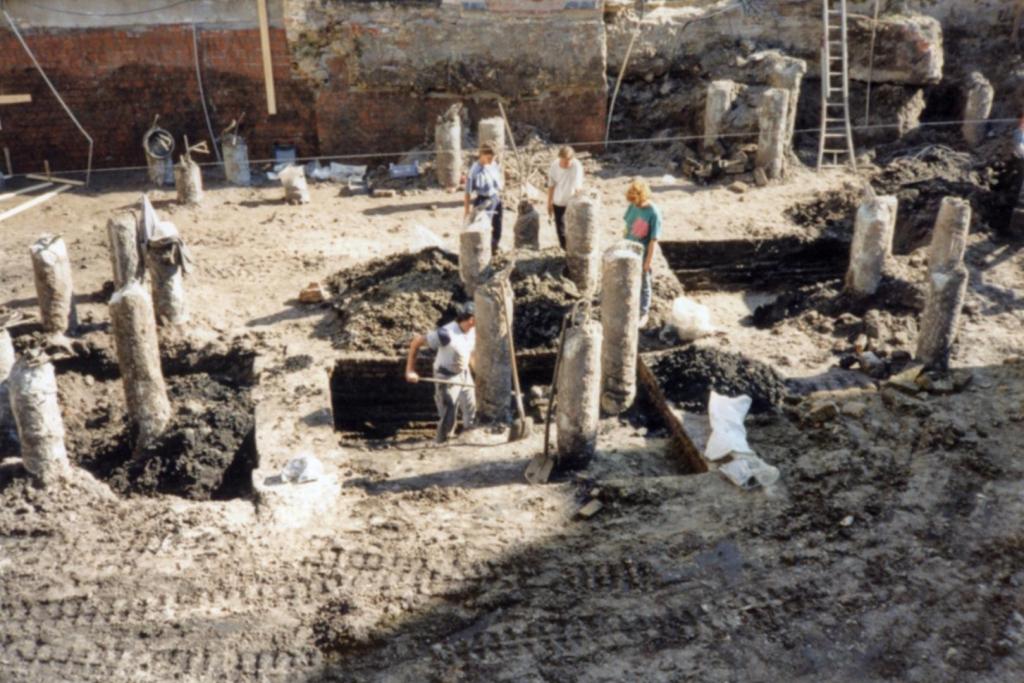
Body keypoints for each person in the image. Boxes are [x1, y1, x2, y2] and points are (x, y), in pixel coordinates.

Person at [405, 304, 477, 443]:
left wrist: (477, 373)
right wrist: (410, 371)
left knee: (471, 409)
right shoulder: (446, 334)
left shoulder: (473, 330)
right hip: (446, 375)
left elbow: (470, 352)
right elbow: (416, 343)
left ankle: (470, 439)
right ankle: (442, 442)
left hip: (464, 373)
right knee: (448, 415)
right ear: (471, 319)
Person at [623, 178, 662, 328]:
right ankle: (630, 303)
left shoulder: (654, 213)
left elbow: (653, 241)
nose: (635, 204)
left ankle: (643, 312)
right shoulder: (633, 206)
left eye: (636, 201)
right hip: (628, 249)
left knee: (644, 283)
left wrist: (648, 262)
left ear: (643, 196)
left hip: (642, 253)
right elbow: (627, 226)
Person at [464, 143, 503, 252]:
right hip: (483, 202)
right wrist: (466, 211)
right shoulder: (474, 170)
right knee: (484, 228)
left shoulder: (493, 164)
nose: (491, 161)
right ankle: (485, 251)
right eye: (489, 158)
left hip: (495, 198)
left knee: (497, 225)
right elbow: (467, 192)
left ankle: (495, 246)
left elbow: (498, 178)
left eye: (493, 158)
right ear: (482, 155)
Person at [546, 145, 584, 249]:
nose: (565, 164)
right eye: (563, 161)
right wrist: (549, 203)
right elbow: (551, 186)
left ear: (572, 159)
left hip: (572, 202)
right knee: (560, 229)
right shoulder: (554, 166)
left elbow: (578, 186)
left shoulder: (577, 166)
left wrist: (579, 201)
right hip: (558, 201)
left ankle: (573, 248)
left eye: (568, 162)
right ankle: (565, 249)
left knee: (573, 227)